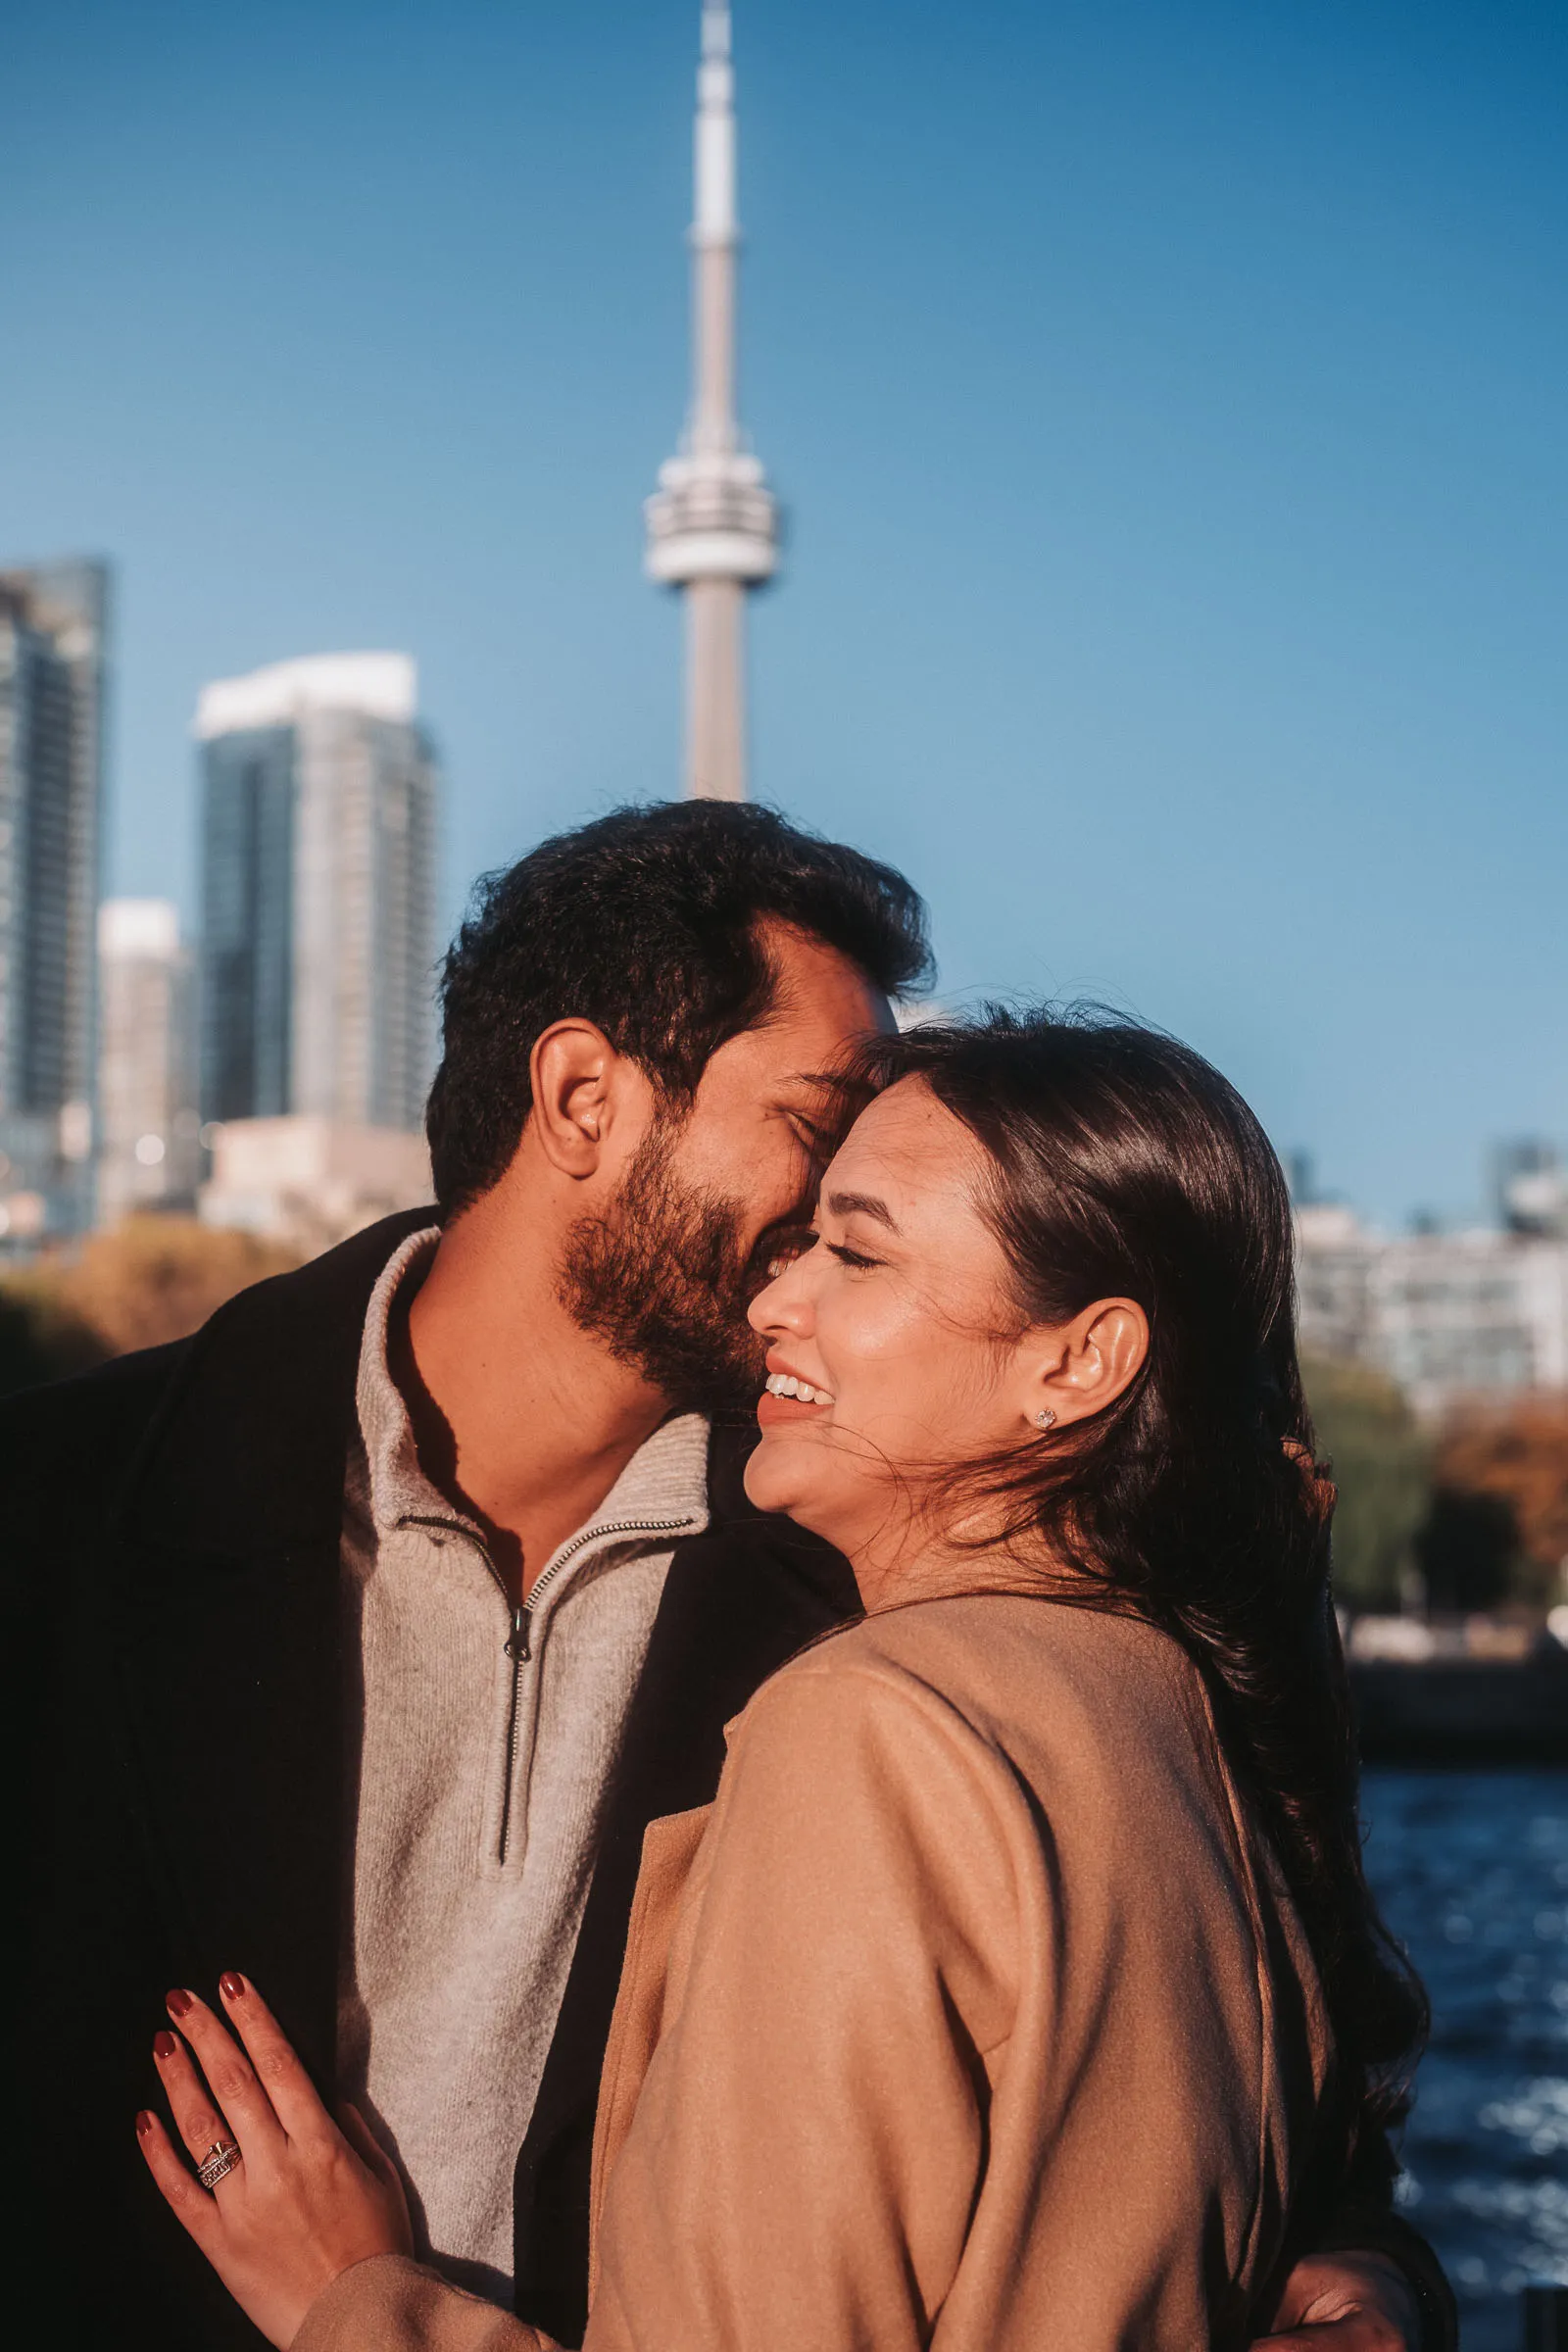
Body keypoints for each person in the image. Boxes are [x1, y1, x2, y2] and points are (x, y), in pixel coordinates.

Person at [5, 808, 1446, 2347]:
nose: (839, 1196)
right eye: (823, 1123)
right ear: (580, 1098)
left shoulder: (886, 1559)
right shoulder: (55, 1509)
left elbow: (1235, 2074)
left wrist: (1364, 2283)